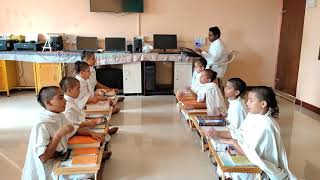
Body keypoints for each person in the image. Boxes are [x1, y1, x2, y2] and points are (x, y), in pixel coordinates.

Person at [206, 86, 296, 180]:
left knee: (233, 172)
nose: (247, 103)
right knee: (218, 146)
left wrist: (233, 142)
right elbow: (240, 134)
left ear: (263, 104)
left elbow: (254, 156)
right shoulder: (252, 115)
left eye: (251, 100)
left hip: (259, 168)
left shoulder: (266, 126)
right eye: (247, 100)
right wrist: (217, 133)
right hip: (245, 153)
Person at [21, 86, 104, 180]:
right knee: (89, 174)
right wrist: (58, 135)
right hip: (48, 170)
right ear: (48, 103)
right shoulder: (42, 125)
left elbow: (73, 129)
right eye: (60, 98)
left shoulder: (59, 116)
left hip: (62, 157)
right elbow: (43, 158)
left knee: (92, 166)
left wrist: (90, 133)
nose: (65, 101)